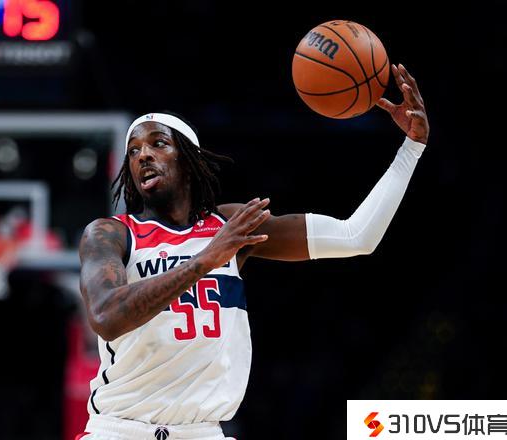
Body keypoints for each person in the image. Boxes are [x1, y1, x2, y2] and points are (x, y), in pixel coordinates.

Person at [76, 63, 429, 440]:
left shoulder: (229, 226)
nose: (143, 155)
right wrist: (204, 261)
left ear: (189, 160)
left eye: (158, 144)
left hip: (202, 433)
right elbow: (106, 316)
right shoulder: (111, 234)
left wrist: (411, 149)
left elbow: (356, 236)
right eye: (133, 151)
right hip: (120, 430)